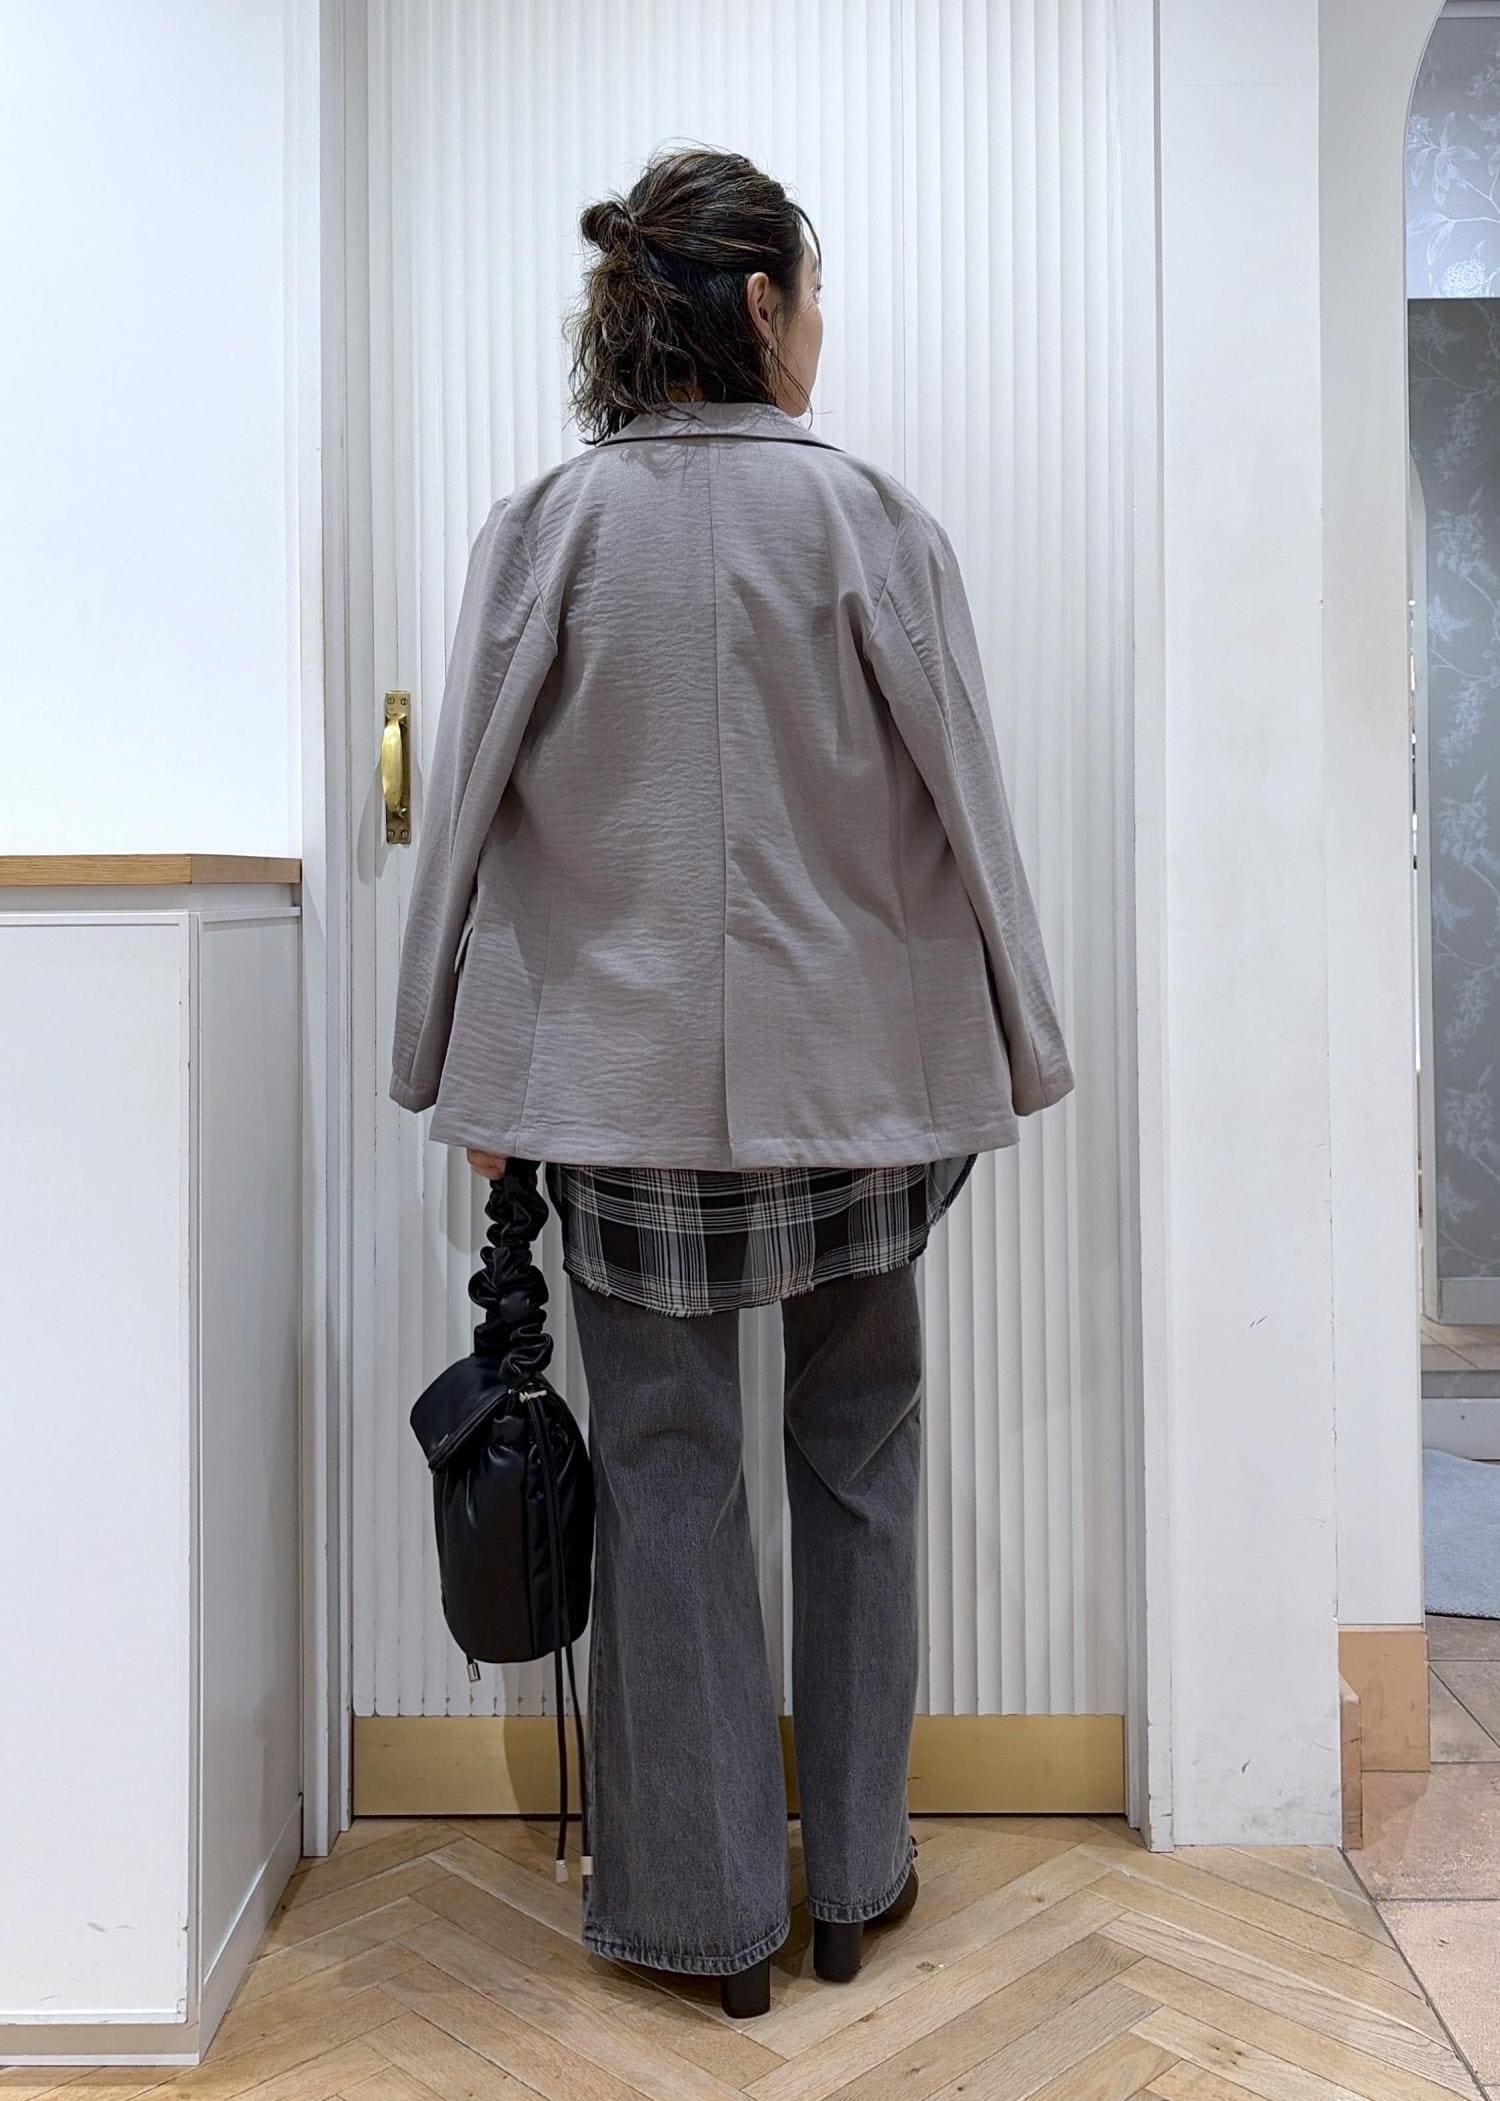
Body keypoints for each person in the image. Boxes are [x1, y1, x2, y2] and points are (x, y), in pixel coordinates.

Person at [389, 144, 1073, 2018]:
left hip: (622, 1106)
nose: (821, 326)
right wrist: (1024, 1033)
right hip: (858, 1095)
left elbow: (465, 823)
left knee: (669, 1481)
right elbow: (971, 796)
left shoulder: (546, 530)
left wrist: (446, 1061)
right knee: (859, 1456)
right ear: (758, 303)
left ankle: (702, 1921)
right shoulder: (871, 521)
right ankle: (852, 1872)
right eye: (813, 293)